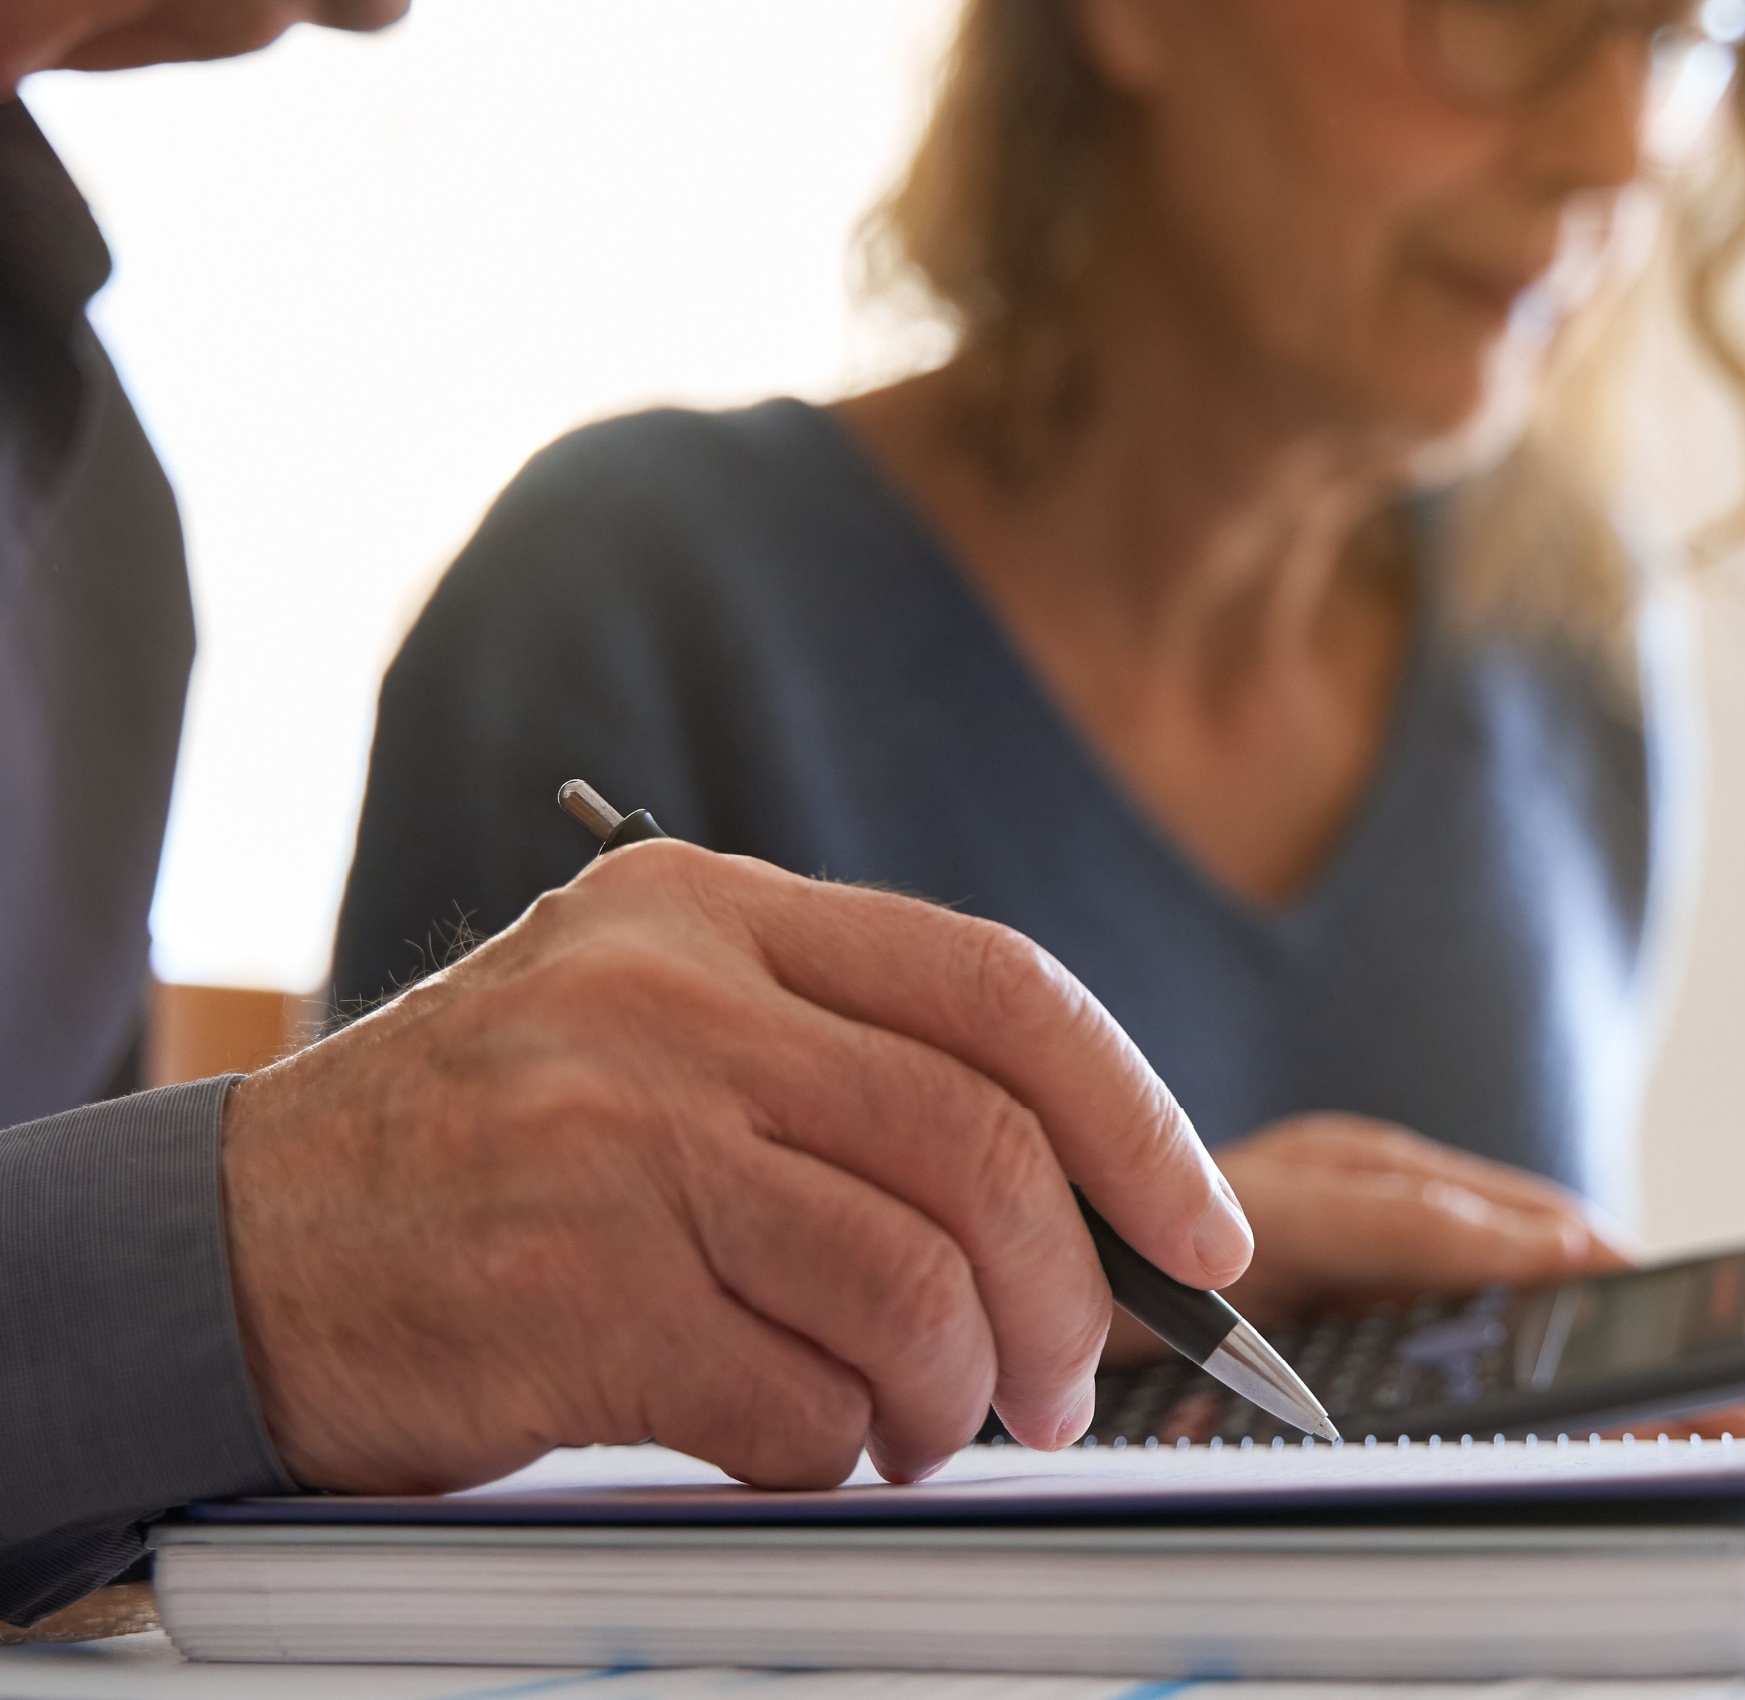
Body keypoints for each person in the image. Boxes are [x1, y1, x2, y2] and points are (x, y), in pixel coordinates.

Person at [335, 0, 1745, 1457]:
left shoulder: (1567, 661)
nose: (1618, 134)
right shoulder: (628, 605)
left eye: (1687, 24)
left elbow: (1392, 1436)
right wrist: (1084, 1310)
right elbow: (400, 1458)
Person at [0, 0, 1489, 1629]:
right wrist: (276, 1257)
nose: (1624, 137)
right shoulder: (619, 584)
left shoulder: (87, 512)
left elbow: (56, 1565)